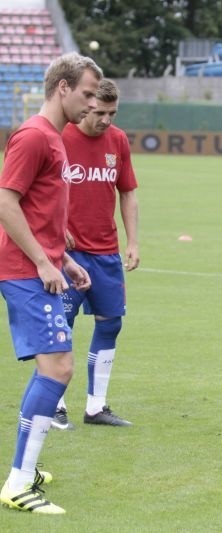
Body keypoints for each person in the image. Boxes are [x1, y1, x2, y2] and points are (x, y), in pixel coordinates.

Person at [0, 52, 102, 514]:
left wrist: (65, 258)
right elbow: (6, 200)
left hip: (43, 266)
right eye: (85, 93)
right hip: (24, 272)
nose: (90, 102)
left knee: (52, 367)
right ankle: (19, 482)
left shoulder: (56, 140)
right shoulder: (34, 136)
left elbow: (42, 209)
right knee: (59, 368)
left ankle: (27, 466)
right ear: (63, 88)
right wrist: (45, 264)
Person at [51, 78, 139, 430]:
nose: (106, 120)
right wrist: (57, 230)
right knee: (61, 327)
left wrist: (133, 242)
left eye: (112, 113)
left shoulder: (117, 140)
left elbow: (128, 191)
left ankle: (95, 406)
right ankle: (55, 405)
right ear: (86, 105)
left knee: (111, 323)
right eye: (100, 112)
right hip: (68, 254)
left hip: (106, 251)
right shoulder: (60, 136)